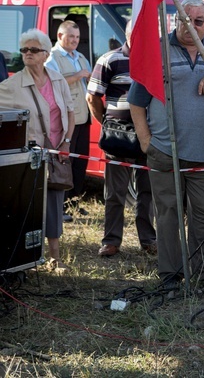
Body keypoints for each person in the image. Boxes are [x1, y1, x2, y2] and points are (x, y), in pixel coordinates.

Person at [129, 0, 204, 289]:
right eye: (186, 20)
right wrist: (146, 141)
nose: (191, 27)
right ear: (176, 20)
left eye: (198, 22)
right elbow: (136, 101)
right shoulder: (159, 49)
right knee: (169, 213)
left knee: (203, 214)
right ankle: (170, 274)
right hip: (164, 150)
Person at [0, 29, 75, 269]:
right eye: (24, 50)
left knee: (54, 201)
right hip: (29, 156)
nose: (28, 54)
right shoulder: (12, 84)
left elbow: (71, 112)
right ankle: (24, 258)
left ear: (45, 54)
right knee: (27, 204)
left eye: (34, 50)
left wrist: (67, 142)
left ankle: (55, 256)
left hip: (56, 151)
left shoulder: (57, 79)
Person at [86, 21, 156, 257]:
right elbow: (92, 96)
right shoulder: (110, 60)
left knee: (147, 191)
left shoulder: (156, 60)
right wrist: (106, 122)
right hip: (118, 135)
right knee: (115, 192)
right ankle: (111, 241)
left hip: (149, 133)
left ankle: (148, 239)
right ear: (127, 36)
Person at [44, 20, 91, 213]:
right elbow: (51, 83)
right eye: (71, 36)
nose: (75, 40)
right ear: (60, 36)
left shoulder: (80, 56)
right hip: (63, 120)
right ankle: (61, 206)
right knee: (64, 163)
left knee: (80, 162)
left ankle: (74, 202)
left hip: (83, 117)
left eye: (78, 37)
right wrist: (78, 75)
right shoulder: (51, 57)